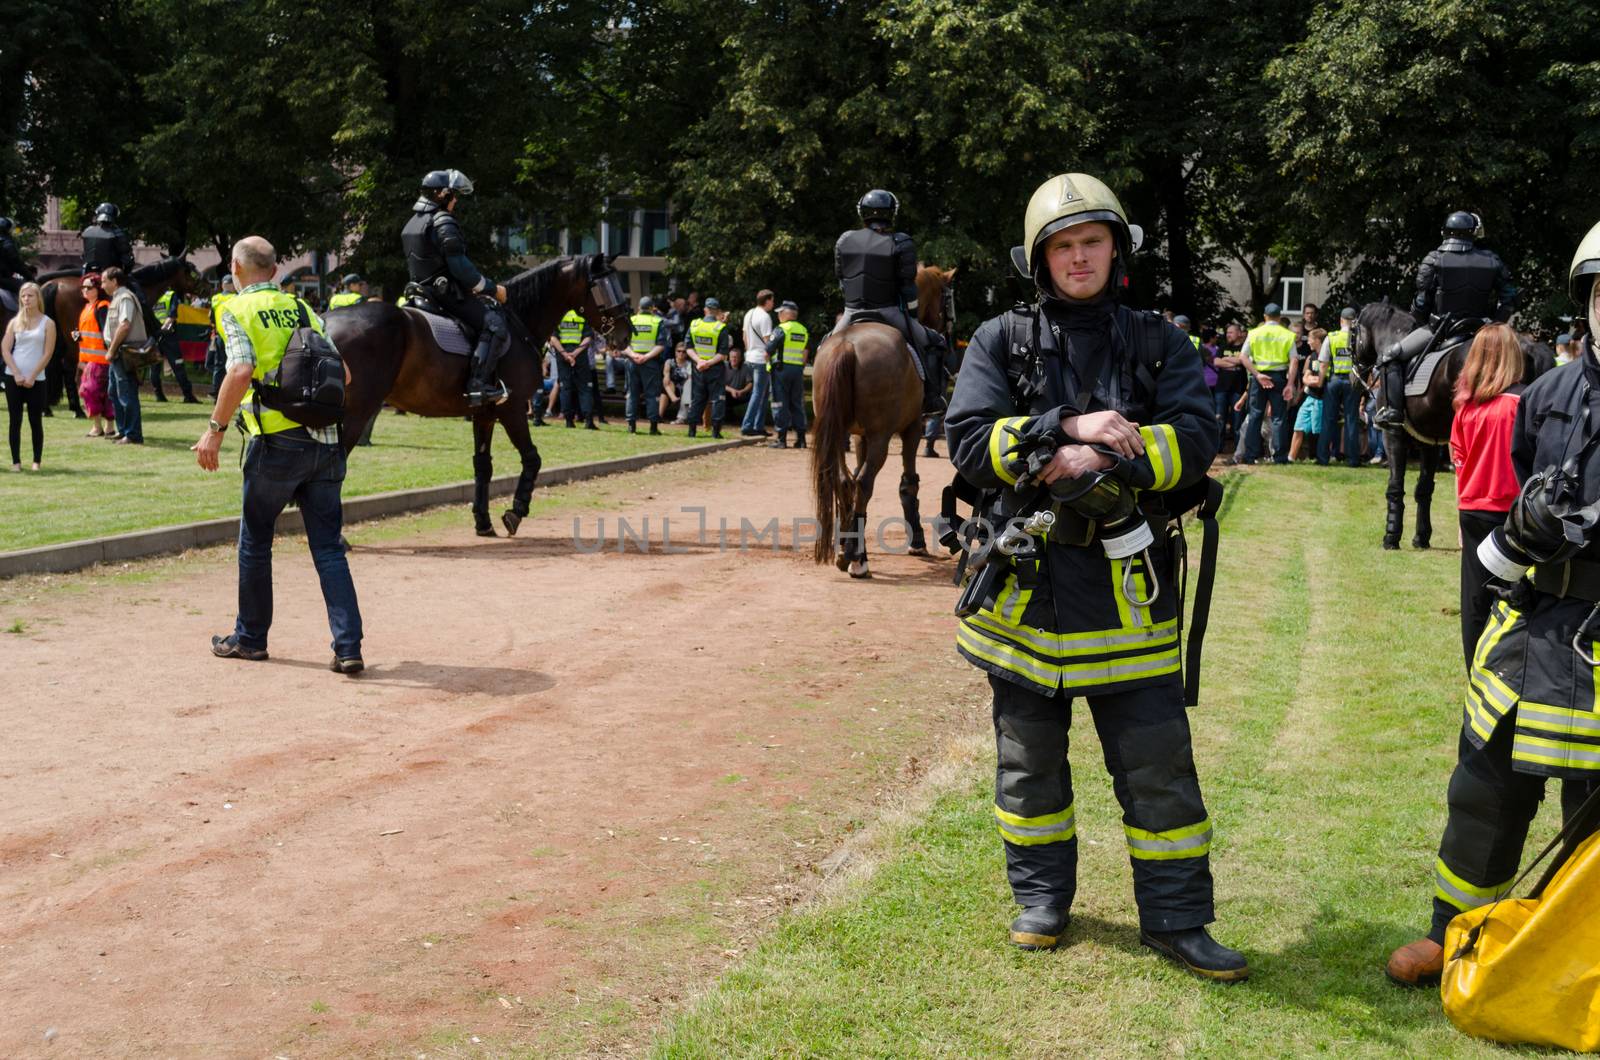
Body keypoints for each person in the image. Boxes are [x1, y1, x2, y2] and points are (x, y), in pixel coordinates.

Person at [945, 172, 1242, 978]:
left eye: (1092, 242)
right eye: (1064, 247)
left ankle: (1178, 919)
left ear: (1118, 249)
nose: (1080, 258)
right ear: (1041, 261)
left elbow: (1195, 441)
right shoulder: (998, 341)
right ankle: (1042, 901)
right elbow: (970, 442)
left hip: (1130, 591)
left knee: (1159, 771)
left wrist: (1111, 459)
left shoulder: (1161, 341)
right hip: (1025, 596)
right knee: (1028, 766)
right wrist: (1063, 433)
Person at [1384, 226, 1600, 987]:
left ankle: (1580, 959)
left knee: (1591, 810)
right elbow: (1507, 498)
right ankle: (1453, 933)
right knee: (1482, 786)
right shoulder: (1542, 396)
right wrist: (1525, 529)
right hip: (1535, 621)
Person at [195, 235, 363, 674]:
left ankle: (250, 639)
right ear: (273, 271)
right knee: (328, 548)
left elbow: (241, 368)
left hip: (275, 442)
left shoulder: (233, 308)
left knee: (256, 541)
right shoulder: (304, 308)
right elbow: (342, 373)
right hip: (325, 441)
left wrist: (214, 430)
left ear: (234, 267)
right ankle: (348, 647)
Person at [1375, 211, 1517, 428]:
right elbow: (1509, 299)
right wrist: (1495, 324)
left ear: (1446, 232)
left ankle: (1393, 412)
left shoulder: (1434, 259)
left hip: (1440, 329)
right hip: (1481, 328)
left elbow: (1421, 304)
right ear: (1472, 233)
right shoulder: (1492, 260)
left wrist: (1421, 316)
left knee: (1391, 355)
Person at [1445, 323, 1525, 668]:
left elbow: (1459, 465)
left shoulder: (1465, 409)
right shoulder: (1522, 404)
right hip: (1512, 514)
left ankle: (1474, 674)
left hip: (1473, 510)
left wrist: (1460, 520)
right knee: (1514, 600)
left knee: (1474, 604)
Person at [833, 189, 948, 414]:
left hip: (851, 312)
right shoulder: (901, 242)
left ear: (862, 213)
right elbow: (907, 286)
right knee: (934, 342)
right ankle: (932, 398)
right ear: (892, 213)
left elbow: (842, 280)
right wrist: (913, 315)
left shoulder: (844, 240)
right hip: (888, 312)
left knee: (824, 347)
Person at [400, 169, 510, 406]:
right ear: (442, 194)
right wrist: (490, 288)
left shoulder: (412, 222)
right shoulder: (442, 220)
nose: (456, 200)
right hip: (444, 294)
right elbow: (460, 268)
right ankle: (478, 386)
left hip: (417, 290)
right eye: (454, 195)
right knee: (495, 325)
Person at [1236, 304, 1297, 464]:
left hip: (1259, 377)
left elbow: (1243, 357)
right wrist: (1290, 384)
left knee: (1255, 415)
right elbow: (1294, 360)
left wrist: (1257, 374)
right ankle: (1280, 457)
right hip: (1279, 377)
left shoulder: (1254, 333)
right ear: (1279, 316)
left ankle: (1250, 456)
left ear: (1264, 316)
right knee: (1279, 417)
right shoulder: (1287, 334)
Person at [2, 282, 54, 470]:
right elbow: (5, 349)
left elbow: (47, 353)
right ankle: (16, 462)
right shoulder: (15, 322)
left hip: (36, 379)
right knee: (15, 421)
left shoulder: (48, 323)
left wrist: (33, 375)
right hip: (13, 377)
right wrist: (16, 372)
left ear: (37, 298)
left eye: (30, 296)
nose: (26, 299)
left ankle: (36, 461)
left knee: (35, 420)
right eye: (23, 296)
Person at [101, 267, 147, 445]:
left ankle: (133, 434)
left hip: (123, 353)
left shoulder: (125, 298)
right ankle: (123, 430)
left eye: (104, 281)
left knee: (126, 393)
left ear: (114, 281)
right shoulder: (117, 299)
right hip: (118, 354)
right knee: (115, 392)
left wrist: (111, 350)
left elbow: (125, 325)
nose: (102, 285)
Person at [1317, 308, 1361, 467]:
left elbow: (1323, 364)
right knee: (1352, 420)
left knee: (1328, 419)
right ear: (1354, 321)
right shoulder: (1359, 338)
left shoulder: (1331, 337)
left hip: (1334, 380)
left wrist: (1321, 383)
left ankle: (1323, 458)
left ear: (1341, 320)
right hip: (1352, 381)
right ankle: (1353, 460)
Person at [765, 300, 809, 449]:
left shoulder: (781, 329)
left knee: (779, 402)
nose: (778, 316)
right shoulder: (803, 330)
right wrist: (800, 367)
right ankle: (801, 439)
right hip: (797, 370)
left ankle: (781, 439)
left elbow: (768, 349)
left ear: (785, 314)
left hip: (781, 370)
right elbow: (805, 352)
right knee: (797, 403)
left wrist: (768, 364)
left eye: (779, 313)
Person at [74, 274, 113, 436]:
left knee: (90, 391)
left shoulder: (102, 306)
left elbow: (106, 332)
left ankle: (101, 427)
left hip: (101, 360)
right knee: (96, 392)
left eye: (89, 287)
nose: (85, 290)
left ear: (98, 289)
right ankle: (105, 427)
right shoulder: (87, 308)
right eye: (83, 287)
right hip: (89, 360)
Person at [685, 298, 730, 438]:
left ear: (705, 310)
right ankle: (716, 432)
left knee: (697, 399)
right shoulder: (720, 328)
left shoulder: (694, 325)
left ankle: (692, 431)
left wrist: (699, 361)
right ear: (717, 312)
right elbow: (722, 354)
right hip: (715, 369)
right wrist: (708, 363)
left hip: (698, 368)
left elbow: (688, 347)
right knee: (718, 399)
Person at [149, 288, 200, 403]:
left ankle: (159, 395)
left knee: (155, 367)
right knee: (178, 366)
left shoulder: (150, 294)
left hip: (156, 335)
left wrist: (156, 332)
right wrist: (162, 331)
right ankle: (188, 396)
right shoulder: (170, 295)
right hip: (168, 336)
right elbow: (172, 316)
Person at [550, 309, 597, 429]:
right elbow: (588, 338)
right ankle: (588, 421)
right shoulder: (581, 316)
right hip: (579, 356)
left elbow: (553, 339)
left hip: (562, 356)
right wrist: (574, 354)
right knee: (585, 388)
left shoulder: (558, 315)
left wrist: (565, 354)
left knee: (565, 388)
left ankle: (569, 421)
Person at [625, 297, 665, 434]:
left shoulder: (631, 320)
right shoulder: (658, 322)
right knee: (651, 395)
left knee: (632, 393)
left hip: (632, 361)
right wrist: (646, 357)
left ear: (638, 307)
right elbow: (661, 345)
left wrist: (633, 355)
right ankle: (653, 427)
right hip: (650, 362)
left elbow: (623, 344)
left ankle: (631, 426)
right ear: (652, 308)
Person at [740, 289, 776, 436]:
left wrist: (749, 351)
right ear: (767, 301)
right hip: (761, 358)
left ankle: (758, 426)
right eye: (772, 300)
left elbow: (744, 337)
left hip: (750, 357)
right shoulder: (765, 317)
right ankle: (748, 425)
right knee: (759, 393)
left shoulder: (749, 313)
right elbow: (768, 342)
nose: (773, 303)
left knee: (761, 393)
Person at [1288, 328, 1324, 461]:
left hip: (1321, 399)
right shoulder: (1312, 356)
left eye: (1310, 339)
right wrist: (1312, 380)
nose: (1308, 342)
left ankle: (1319, 457)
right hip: (1309, 397)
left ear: (1317, 340)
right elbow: (1305, 377)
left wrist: (1314, 381)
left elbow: (1322, 381)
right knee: (1298, 427)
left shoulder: (1327, 357)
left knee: (1317, 431)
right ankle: (1290, 458)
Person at [207, 274, 236, 397]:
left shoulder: (215, 298)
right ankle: (231, 391)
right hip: (232, 336)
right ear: (229, 284)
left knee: (219, 365)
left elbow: (211, 317)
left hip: (219, 336)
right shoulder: (236, 298)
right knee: (233, 365)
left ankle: (216, 391)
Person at [0, 216, 37, 299]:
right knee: (28, 289)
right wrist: (30, 277)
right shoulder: (7, 244)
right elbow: (17, 265)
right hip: (3, 279)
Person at [723, 347, 753, 424]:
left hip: (741, 394)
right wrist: (732, 390)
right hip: (727, 393)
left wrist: (742, 391)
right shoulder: (724, 366)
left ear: (740, 358)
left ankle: (748, 420)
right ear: (729, 358)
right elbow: (720, 384)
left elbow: (750, 383)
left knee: (754, 396)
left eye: (736, 357)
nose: (734, 359)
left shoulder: (745, 367)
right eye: (732, 357)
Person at [666, 342, 692, 424]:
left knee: (689, 384)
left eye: (684, 351)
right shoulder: (670, 362)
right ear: (675, 352)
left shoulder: (689, 364)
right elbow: (666, 374)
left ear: (687, 353)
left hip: (685, 388)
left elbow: (690, 378)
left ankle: (681, 418)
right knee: (666, 380)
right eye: (679, 351)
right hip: (671, 388)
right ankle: (657, 417)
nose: (681, 353)